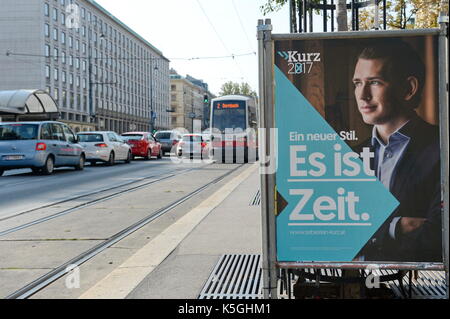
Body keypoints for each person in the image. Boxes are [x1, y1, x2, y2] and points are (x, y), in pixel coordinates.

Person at [352, 40, 442, 262]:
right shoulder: (350, 155)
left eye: (374, 82)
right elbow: (334, 232)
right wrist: (396, 227)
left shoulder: (443, 148)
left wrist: (370, 237)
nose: (362, 95)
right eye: (357, 83)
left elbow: (437, 237)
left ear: (409, 88)